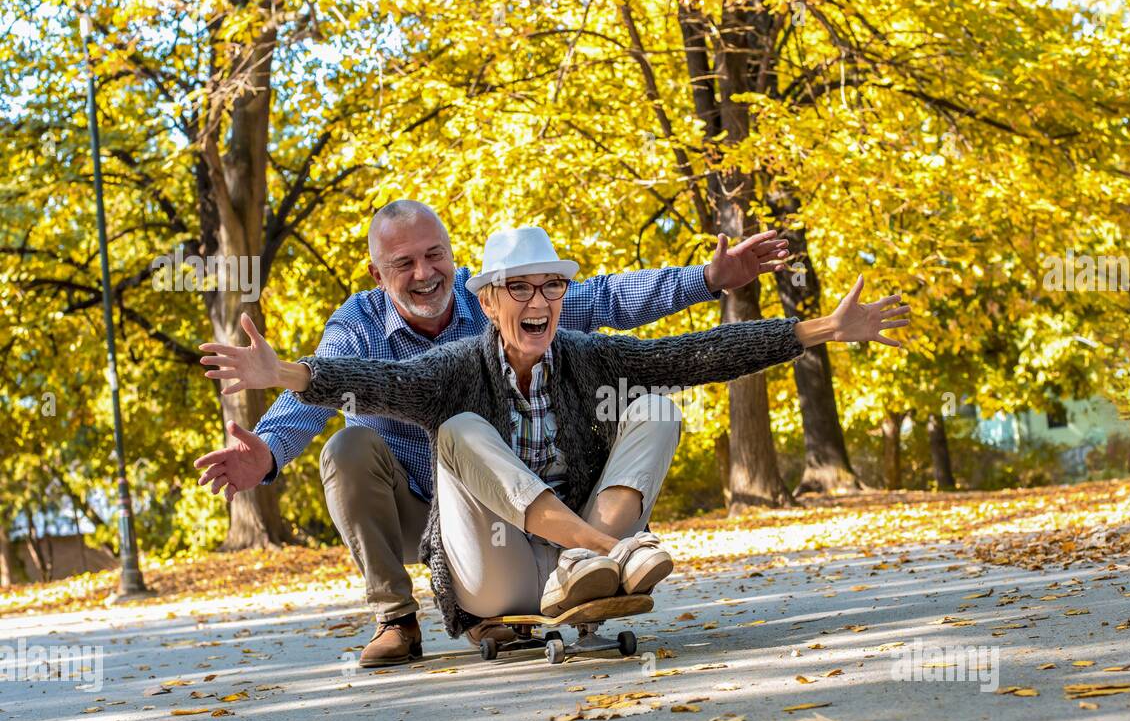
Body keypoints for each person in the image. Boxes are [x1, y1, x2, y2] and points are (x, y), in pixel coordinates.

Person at [199, 225, 910, 658]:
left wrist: (816, 329)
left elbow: (693, 351)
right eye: (519, 288)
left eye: (550, 287)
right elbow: (372, 382)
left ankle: (589, 561)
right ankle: (598, 558)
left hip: (564, 553)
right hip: (485, 559)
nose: (536, 301)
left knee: (657, 403)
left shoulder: (582, 351)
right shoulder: (445, 363)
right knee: (458, 428)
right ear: (490, 298)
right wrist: (284, 378)